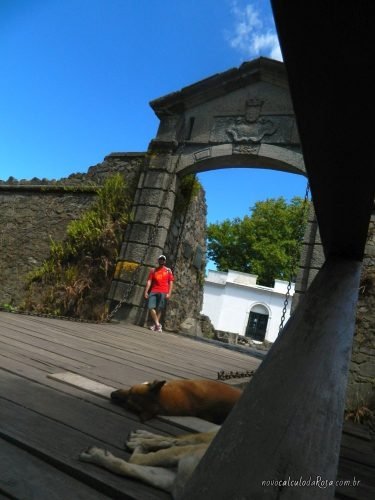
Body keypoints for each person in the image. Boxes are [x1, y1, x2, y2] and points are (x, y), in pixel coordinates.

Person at [144, 255, 174, 332]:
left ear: (165, 261)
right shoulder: (153, 270)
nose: (161, 261)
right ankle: (158, 324)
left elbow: (171, 282)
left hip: (163, 291)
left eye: (163, 260)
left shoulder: (168, 271)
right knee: (151, 307)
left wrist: (169, 293)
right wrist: (146, 291)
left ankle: (155, 326)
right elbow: (149, 281)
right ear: (158, 260)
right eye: (160, 259)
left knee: (159, 308)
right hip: (154, 290)